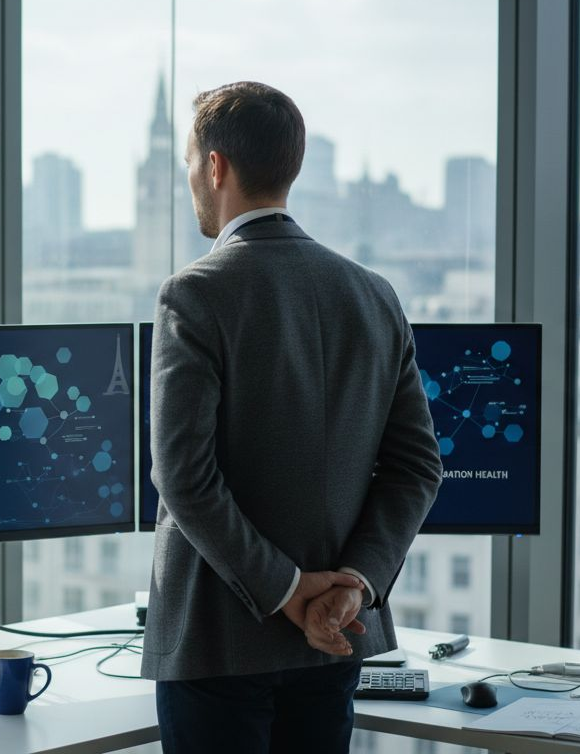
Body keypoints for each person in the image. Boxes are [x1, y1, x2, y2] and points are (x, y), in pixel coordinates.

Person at [140, 81, 443, 754]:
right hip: (334, 638)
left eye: (191, 162)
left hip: (216, 646)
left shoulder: (194, 295)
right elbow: (418, 466)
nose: (190, 178)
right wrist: (353, 587)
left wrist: (285, 588)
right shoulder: (374, 295)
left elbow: (183, 477)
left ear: (215, 166)